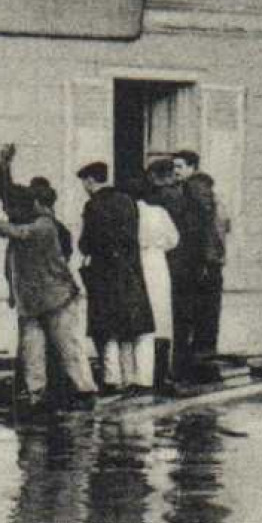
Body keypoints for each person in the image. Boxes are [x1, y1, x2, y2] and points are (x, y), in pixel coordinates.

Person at [0, 181, 98, 412]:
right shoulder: (28, 227)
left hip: (57, 300)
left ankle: (85, 391)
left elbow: (16, 232)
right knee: (32, 352)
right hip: (31, 303)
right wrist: (4, 169)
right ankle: (36, 393)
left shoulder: (44, 226)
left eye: (12, 209)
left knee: (69, 348)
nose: (8, 213)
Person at [75, 161, 153, 393]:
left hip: (104, 273)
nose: (84, 187)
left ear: (91, 180)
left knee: (105, 329)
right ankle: (130, 377)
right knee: (129, 327)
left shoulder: (93, 206)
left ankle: (111, 379)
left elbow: (86, 244)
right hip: (130, 271)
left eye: (84, 182)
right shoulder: (127, 201)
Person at [147, 157, 201, 383]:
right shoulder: (187, 198)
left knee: (161, 319)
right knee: (182, 320)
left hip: (165, 264)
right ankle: (180, 368)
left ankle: (161, 372)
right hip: (186, 265)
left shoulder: (157, 199)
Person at [173, 149, 230, 361]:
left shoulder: (193, 188)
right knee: (206, 314)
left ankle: (197, 360)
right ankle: (204, 357)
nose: (175, 171)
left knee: (197, 312)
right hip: (210, 261)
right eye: (174, 167)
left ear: (192, 168)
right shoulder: (207, 189)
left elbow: (203, 228)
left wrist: (203, 261)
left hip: (201, 262)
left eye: (179, 167)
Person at [134, 168, 180, 392]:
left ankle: (141, 375)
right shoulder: (160, 213)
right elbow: (174, 240)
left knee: (143, 319)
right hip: (158, 263)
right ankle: (161, 374)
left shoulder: (133, 212)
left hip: (138, 263)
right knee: (162, 318)